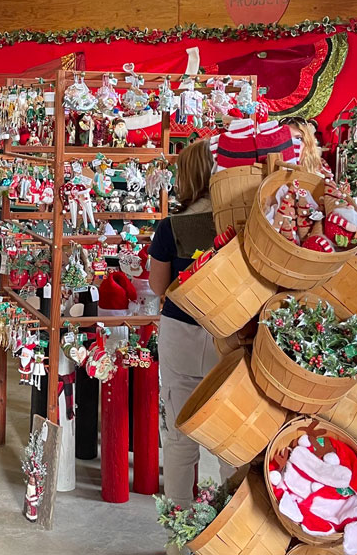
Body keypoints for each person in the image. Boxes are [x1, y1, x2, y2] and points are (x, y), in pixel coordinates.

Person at [148, 139, 232, 523]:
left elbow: (158, 286)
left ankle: (178, 530)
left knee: (179, 437)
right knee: (230, 438)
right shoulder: (237, 223)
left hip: (181, 330)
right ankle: (232, 529)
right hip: (227, 335)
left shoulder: (172, 226)